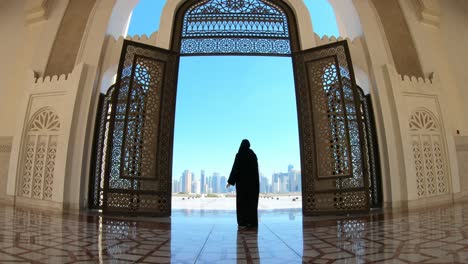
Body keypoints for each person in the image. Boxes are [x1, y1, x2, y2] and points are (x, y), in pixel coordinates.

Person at [226, 139, 260, 228]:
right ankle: (251, 222)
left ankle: (242, 222)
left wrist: (230, 182)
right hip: (252, 185)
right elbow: (256, 172)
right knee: (251, 203)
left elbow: (235, 168)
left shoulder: (239, 154)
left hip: (242, 185)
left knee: (242, 204)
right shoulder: (253, 155)